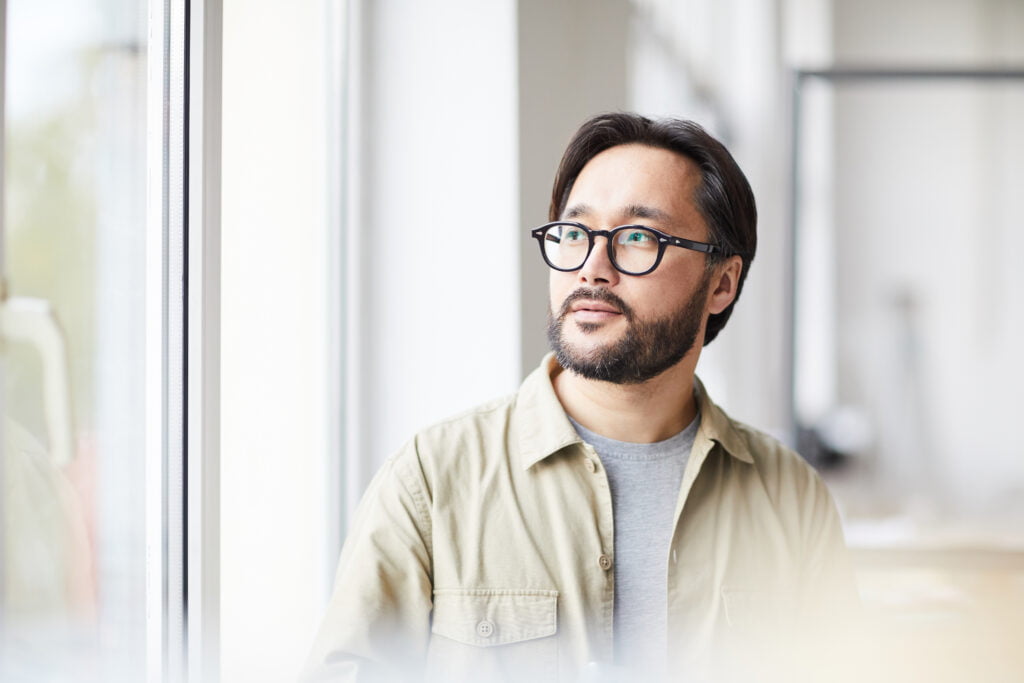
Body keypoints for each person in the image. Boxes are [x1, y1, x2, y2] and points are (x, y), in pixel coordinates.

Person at [302, 112, 858, 683]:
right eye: (575, 234)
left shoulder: (789, 497)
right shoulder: (434, 479)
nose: (591, 269)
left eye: (638, 238)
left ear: (722, 283)